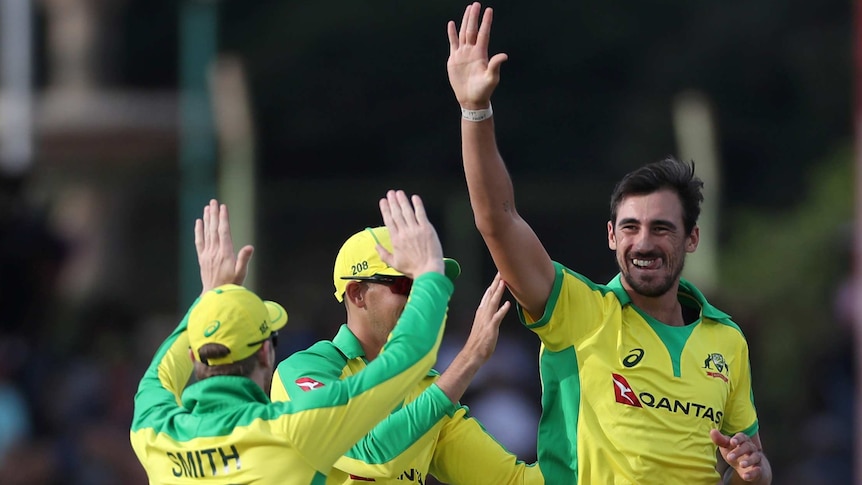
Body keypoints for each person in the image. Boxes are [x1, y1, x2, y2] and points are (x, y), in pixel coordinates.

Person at [445, 3, 773, 484]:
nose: (644, 242)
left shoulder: (727, 341)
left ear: (692, 239)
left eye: (661, 228)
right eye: (630, 227)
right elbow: (497, 219)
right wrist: (475, 110)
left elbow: (753, 467)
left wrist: (753, 470)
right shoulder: (580, 310)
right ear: (611, 236)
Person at [130, 191, 455, 484]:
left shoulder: (154, 431)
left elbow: (158, 376)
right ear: (265, 355)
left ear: (193, 356)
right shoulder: (294, 430)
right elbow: (411, 355)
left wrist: (210, 297)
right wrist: (428, 270)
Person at [269, 225, 543, 483]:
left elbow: (514, 481)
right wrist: (469, 359)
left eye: (426, 285)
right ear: (356, 294)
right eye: (405, 285)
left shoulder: (426, 389)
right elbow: (369, 456)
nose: (422, 298)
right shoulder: (303, 371)